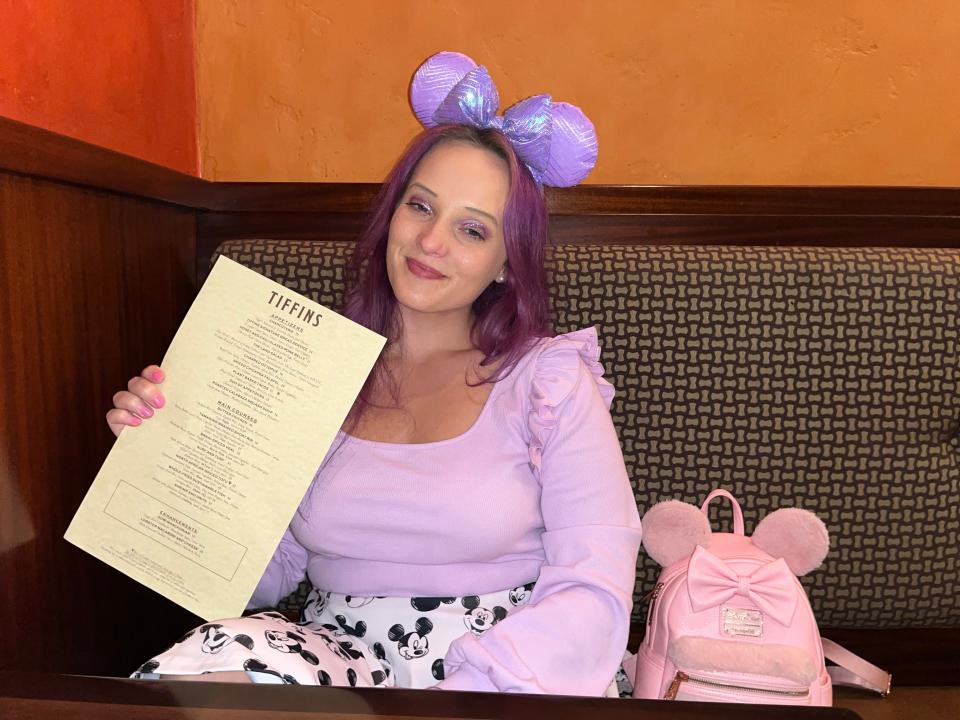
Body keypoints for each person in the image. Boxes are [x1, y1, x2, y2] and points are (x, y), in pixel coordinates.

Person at [107, 52, 642, 696]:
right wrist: (166, 459)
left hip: (515, 666)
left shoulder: (546, 380)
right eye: (421, 207)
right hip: (338, 660)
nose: (431, 242)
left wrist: (469, 690)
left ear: (506, 262)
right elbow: (265, 575)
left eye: (472, 229)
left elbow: (595, 579)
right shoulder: (308, 371)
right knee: (214, 680)